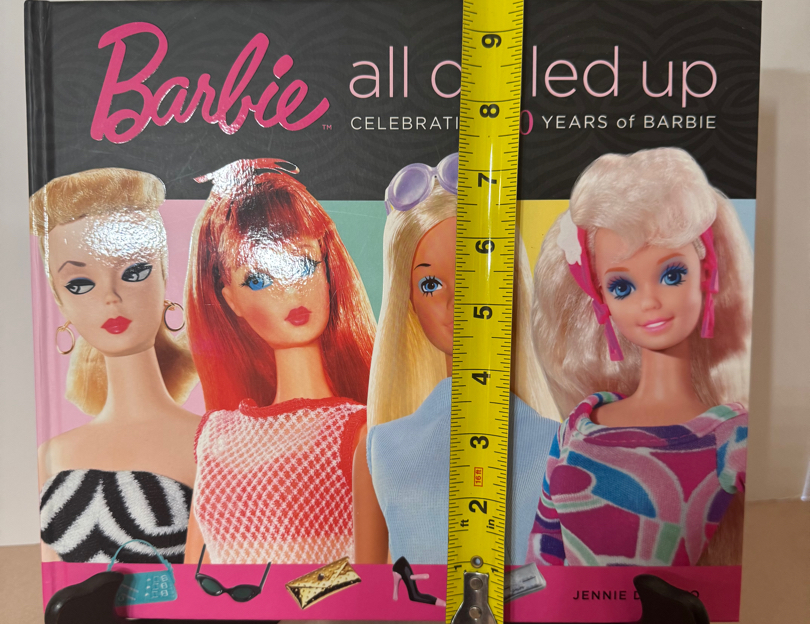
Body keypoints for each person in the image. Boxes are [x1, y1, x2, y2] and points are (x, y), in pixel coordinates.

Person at [528, 147, 752, 568]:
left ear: (706, 275)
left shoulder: (732, 437)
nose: (649, 302)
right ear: (602, 301)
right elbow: (542, 560)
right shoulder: (579, 423)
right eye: (622, 287)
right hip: (566, 612)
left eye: (672, 275)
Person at [353, 152, 560, 567]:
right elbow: (365, 586)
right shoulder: (379, 448)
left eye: (477, 274)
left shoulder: (563, 444)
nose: (457, 301)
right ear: (408, 304)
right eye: (430, 284)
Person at [184, 159, 375, 565]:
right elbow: (193, 575)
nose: (290, 291)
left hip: (319, 607)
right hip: (229, 608)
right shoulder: (215, 437)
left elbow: (370, 570)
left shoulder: (359, 431)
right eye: (257, 279)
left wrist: (276, 592)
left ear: (328, 269)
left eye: (303, 264)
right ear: (230, 301)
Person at [30, 167, 199, 563]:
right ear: (60, 301)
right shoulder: (52, 454)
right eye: (80, 284)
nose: (110, 297)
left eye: (134, 271)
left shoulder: (211, 442)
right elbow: (54, 585)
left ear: (163, 277)